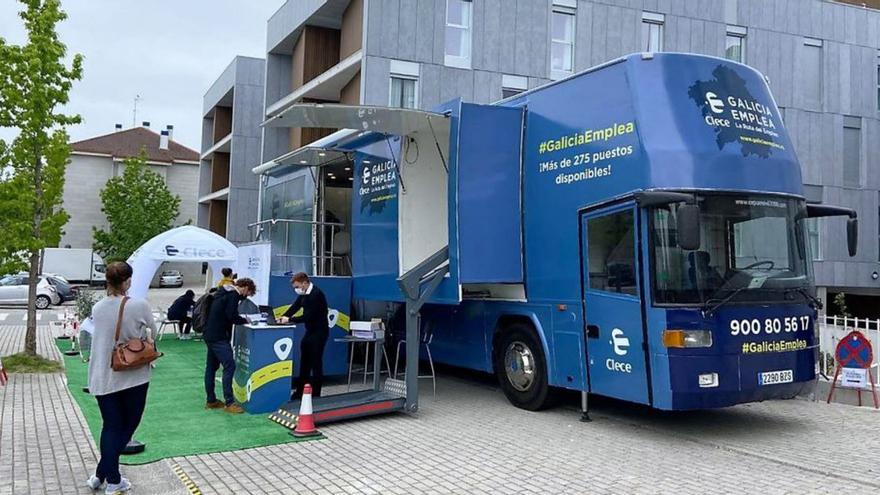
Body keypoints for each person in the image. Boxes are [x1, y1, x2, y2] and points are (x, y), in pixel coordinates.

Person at [86, 261, 157, 494]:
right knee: (128, 426)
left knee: (111, 427)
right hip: (132, 376)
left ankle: (100, 475)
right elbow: (154, 334)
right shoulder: (139, 305)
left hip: (102, 375)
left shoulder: (98, 308)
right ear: (127, 281)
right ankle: (113, 480)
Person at [203, 277, 256, 414]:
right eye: (248, 293)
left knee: (211, 367)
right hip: (219, 336)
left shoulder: (223, 292)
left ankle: (211, 400)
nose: (246, 297)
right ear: (245, 288)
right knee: (229, 365)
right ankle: (229, 402)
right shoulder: (233, 295)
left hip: (210, 333)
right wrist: (245, 319)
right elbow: (231, 316)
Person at [279, 272, 330, 399]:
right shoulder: (304, 294)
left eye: (297, 286)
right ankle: (300, 391)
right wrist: (284, 316)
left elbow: (309, 316)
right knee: (304, 362)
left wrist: (290, 319)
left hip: (319, 332)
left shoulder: (316, 294)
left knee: (316, 363)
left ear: (304, 283)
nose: (296, 289)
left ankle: (316, 394)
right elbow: (295, 306)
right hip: (310, 332)